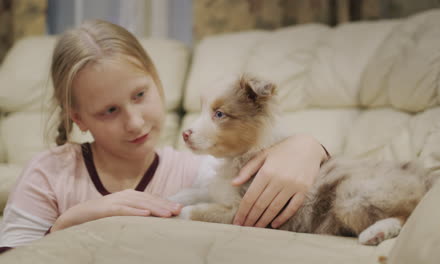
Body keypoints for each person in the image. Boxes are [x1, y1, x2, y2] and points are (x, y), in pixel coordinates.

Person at [0, 20, 329, 252]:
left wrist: (309, 146)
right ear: (79, 119)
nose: (134, 121)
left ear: (157, 81)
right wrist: (70, 222)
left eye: (140, 95)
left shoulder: (200, 173)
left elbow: (286, 181)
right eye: (109, 111)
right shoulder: (48, 174)